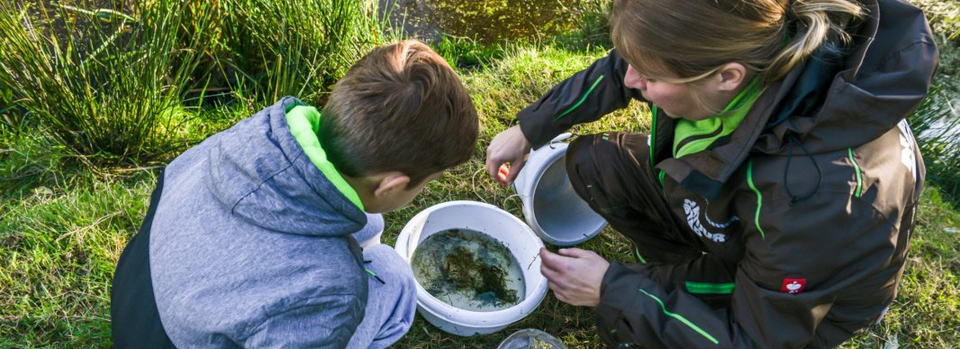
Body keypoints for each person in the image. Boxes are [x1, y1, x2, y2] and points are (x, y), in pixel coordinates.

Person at [485, 0, 939, 347]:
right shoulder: (741, 39)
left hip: (790, 302)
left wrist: (613, 289)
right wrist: (530, 128)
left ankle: (667, 295)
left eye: (649, 75)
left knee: (629, 310)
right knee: (592, 162)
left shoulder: (816, 195)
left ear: (727, 78)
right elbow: (623, 67)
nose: (631, 82)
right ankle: (673, 277)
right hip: (749, 226)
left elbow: (756, 338)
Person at [112, 40, 479, 348]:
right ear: (392, 185)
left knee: (368, 223)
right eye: (426, 183)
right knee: (394, 277)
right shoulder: (329, 289)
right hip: (169, 339)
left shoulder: (254, 135)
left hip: (137, 301)